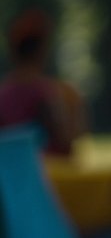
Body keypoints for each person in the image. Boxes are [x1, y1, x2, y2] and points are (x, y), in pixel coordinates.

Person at [0, 9, 82, 156]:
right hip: (47, 175)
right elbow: (65, 141)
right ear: (42, 49)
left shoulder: (3, 94)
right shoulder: (49, 93)